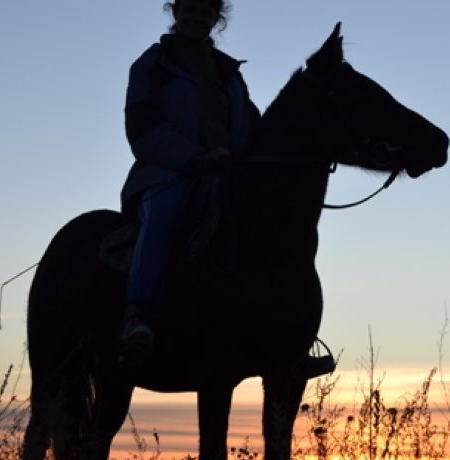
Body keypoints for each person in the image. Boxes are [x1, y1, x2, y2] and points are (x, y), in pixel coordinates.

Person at [119, 0, 335, 378]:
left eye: (206, 12)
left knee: (280, 227)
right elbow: (143, 130)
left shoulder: (229, 72)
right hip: (168, 174)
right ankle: (139, 315)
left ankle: (291, 337)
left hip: (225, 173)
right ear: (175, 12)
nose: (197, 18)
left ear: (216, 19)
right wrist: (197, 156)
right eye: (190, 10)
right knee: (164, 218)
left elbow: (251, 125)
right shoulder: (152, 65)